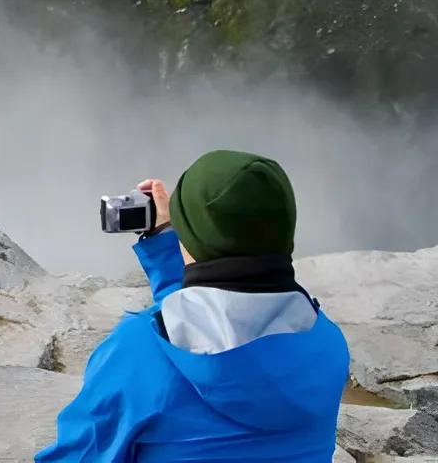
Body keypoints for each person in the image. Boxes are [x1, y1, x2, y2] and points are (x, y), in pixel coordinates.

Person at [37, 151, 348, 462]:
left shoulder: (137, 351)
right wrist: (168, 248)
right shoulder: (328, 343)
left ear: (191, 236)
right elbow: (225, 330)